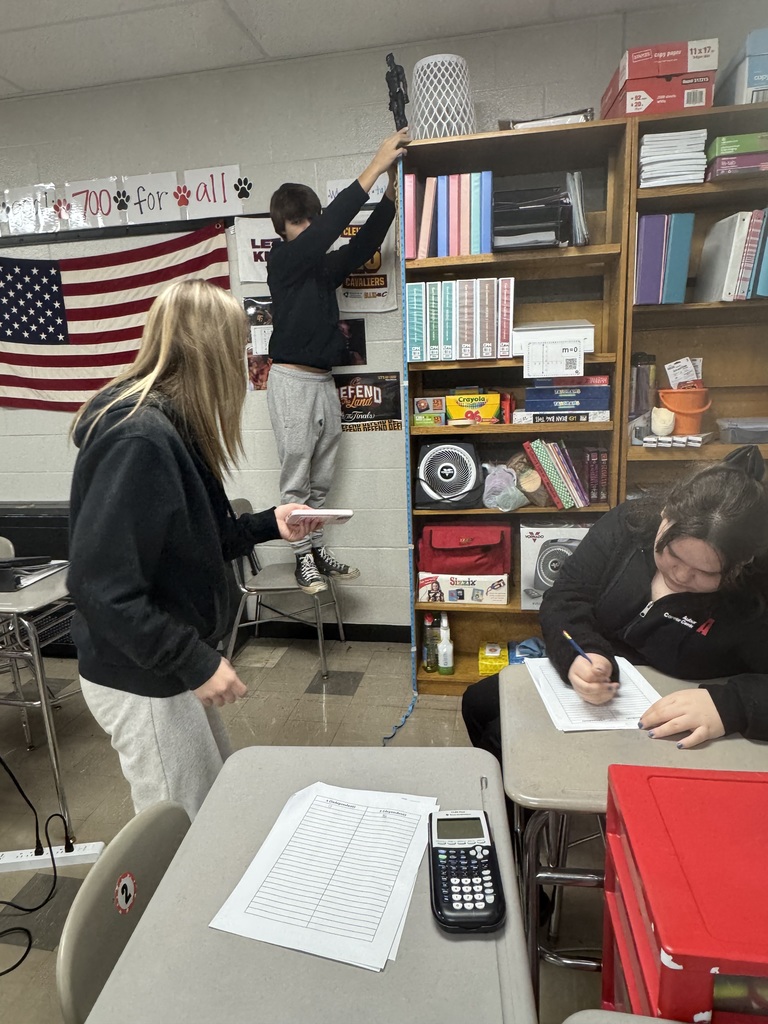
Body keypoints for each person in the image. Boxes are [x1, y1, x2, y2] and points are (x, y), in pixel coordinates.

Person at [67, 280, 319, 820]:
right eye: (238, 347)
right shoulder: (138, 438)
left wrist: (269, 524)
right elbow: (100, 589)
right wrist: (194, 661)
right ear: (210, 352)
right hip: (142, 673)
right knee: (182, 825)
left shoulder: (173, 429)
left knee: (213, 805)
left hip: (166, 662)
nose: (244, 360)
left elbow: (198, 539)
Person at [462, 445, 768, 757]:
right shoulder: (629, 524)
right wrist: (582, 652)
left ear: (741, 564)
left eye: (705, 572)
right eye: (672, 554)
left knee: (510, 742)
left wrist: (732, 706)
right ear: (665, 515)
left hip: (681, 698)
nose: (681, 574)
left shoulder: (756, 589)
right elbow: (566, 596)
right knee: (477, 704)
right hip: (601, 672)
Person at [266, 128, 409, 594]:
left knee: (321, 480)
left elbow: (360, 248)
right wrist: (374, 166)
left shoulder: (320, 270)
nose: (309, 227)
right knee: (296, 475)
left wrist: (389, 197)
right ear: (283, 228)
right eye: (299, 222)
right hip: (290, 380)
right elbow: (325, 234)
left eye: (311, 219)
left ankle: (315, 549)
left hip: (323, 382)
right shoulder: (283, 263)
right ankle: (300, 559)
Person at [385, 52, 409, 130]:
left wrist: (405, 94)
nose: (387, 62)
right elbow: (389, 86)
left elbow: (403, 81)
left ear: (392, 59)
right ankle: (399, 132)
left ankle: (404, 130)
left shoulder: (398, 68)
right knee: (396, 115)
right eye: (387, 60)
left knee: (401, 113)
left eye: (388, 60)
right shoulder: (388, 74)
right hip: (392, 95)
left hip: (399, 94)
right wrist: (390, 100)